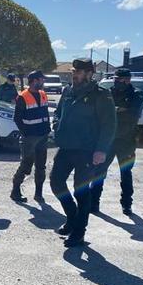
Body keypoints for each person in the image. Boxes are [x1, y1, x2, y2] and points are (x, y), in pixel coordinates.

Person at [50, 58, 116, 247]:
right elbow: (58, 112)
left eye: (78, 72)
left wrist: (101, 150)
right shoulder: (68, 90)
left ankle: (79, 232)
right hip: (66, 147)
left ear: (89, 74)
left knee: (81, 191)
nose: (74, 75)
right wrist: (57, 126)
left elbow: (109, 125)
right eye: (73, 72)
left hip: (87, 151)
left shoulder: (101, 95)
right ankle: (72, 218)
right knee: (56, 183)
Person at [89, 68, 143, 215]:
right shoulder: (109, 93)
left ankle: (127, 204)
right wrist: (119, 110)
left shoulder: (136, 94)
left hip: (127, 141)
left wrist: (114, 111)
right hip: (108, 140)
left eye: (119, 80)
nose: (116, 82)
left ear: (127, 80)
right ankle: (94, 203)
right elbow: (102, 113)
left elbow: (132, 114)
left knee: (126, 173)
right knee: (99, 171)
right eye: (115, 79)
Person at [11, 71, 51, 203]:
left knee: (41, 166)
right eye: (41, 80)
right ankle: (15, 191)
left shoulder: (42, 94)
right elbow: (17, 118)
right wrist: (26, 133)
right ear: (34, 81)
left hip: (42, 136)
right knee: (26, 165)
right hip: (30, 138)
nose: (43, 82)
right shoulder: (23, 97)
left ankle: (38, 194)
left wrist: (47, 130)